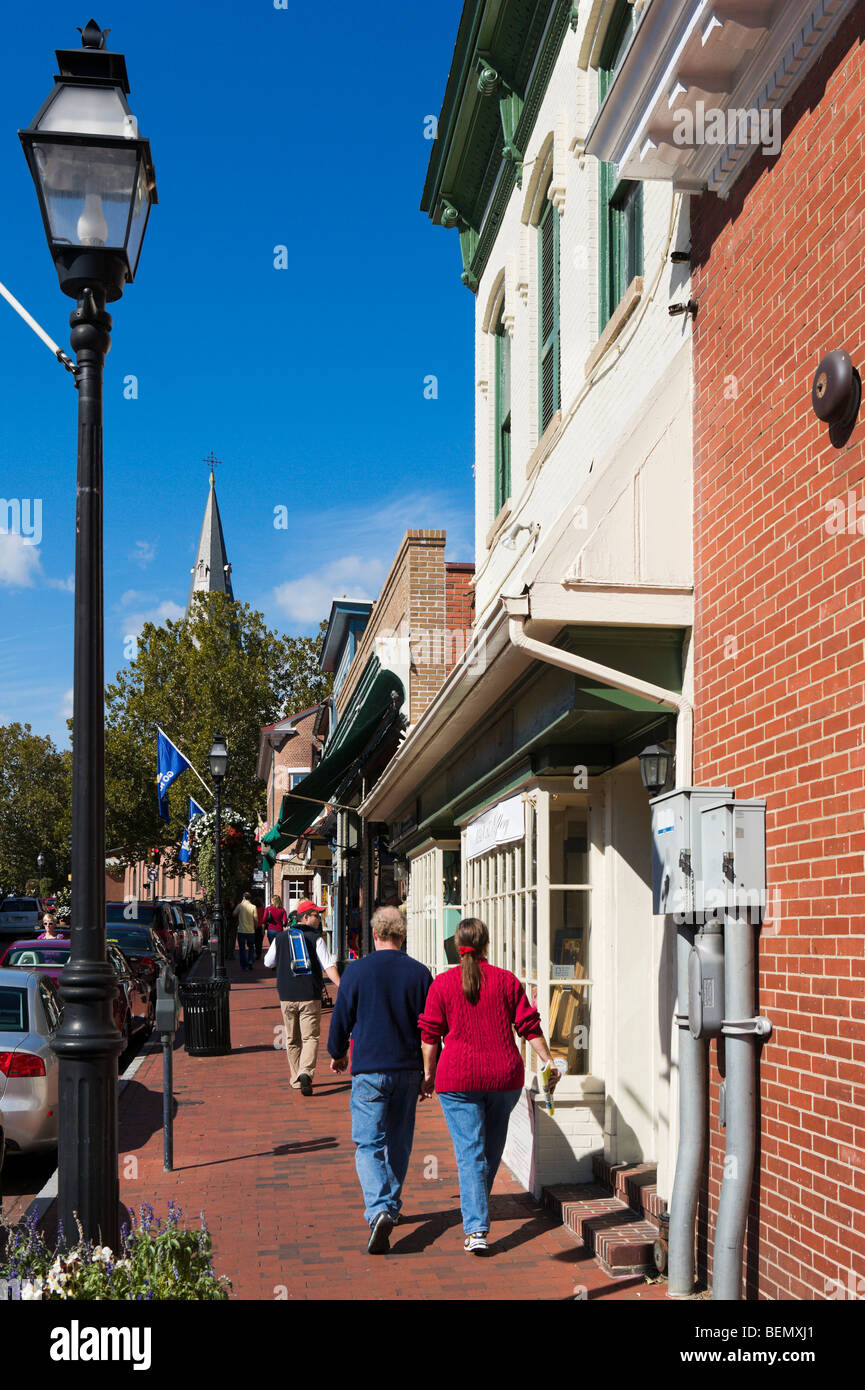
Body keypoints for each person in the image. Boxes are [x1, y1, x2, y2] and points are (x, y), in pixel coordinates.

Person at [419, 916, 562, 1255]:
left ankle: (476, 1230)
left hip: (457, 1080)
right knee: (489, 1151)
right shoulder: (506, 981)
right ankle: (477, 1217)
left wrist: (428, 1074)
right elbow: (529, 1025)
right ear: (486, 945)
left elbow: (429, 1035)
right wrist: (547, 1059)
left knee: (471, 1154)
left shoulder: (442, 984)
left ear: (457, 946)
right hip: (504, 1078)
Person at [328, 906, 433, 1255]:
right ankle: (391, 1203)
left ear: (374, 935)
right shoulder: (420, 974)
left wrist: (338, 1052)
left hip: (370, 1068)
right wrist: (429, 1070)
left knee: (368, 1143)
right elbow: (430, 1028)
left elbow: (341, 1017)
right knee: (400, 1140)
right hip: (407, 1067)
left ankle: (378, 1210)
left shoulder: (356, 971)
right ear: (402, 935)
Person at [264, 900, 340, 1095]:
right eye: (317, 915)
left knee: (292, 1039)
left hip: (287, 996)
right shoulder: (316, 938)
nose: (319, 918)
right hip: (309, 995)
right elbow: (328, 966)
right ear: (305, 917)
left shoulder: (280, 937)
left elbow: (267, 963)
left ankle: (296, 1079)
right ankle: (305, 1071)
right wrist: (343, 986)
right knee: (310, 1037)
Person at [232, 892, 258, 972]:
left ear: (244, 898)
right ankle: (250, 961)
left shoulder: (240, 906)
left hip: (241, 930)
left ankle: (244, 965)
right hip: (251, 930)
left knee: (242, 949)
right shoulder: (253, 907)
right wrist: (255, 926)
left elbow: (234, 914)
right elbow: (256, 919)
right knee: (251, 947)